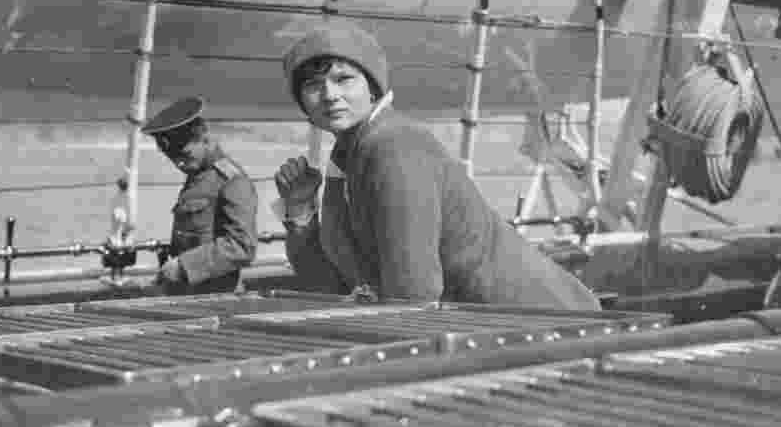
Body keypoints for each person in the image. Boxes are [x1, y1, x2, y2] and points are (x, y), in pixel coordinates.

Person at [271, 22, 601, 310]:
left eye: (343, 79)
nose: (329, 94)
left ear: (372, 88)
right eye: (313, 86)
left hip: (546, 325)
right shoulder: (346, 159)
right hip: (492, 328)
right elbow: (334, 286)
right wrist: (300, 212)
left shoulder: (394, 146)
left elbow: (413, 293)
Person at [141, 96, 259, 294]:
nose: (179, 164)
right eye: (172, 158)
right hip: (189, 294)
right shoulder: (199, 176)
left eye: (185, 155)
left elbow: (242, 246)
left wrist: (183, 266)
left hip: (219, 298)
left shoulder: (230, 180)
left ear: (204, 138)